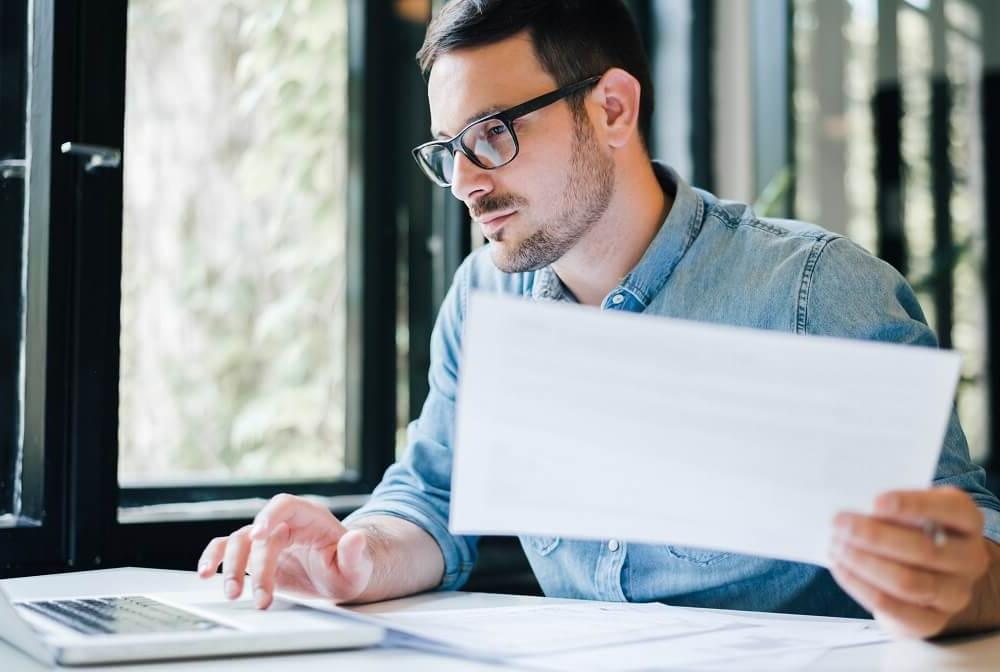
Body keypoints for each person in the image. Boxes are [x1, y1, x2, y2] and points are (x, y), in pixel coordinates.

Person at [197, 0, 1000, 638]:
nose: (468, 181)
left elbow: (975, 546)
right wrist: (356, 555)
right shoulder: (484, 300)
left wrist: (957, 585)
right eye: (448, 150)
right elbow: (436, 497)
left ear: (613, 108)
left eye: (492, 134)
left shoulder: (816, 291)